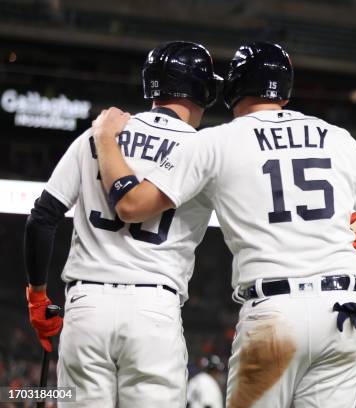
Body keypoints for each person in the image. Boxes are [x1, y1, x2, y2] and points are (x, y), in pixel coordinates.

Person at [90, 41, 356, 408]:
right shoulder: (335, 136)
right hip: (344, 313)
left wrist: (104, 139)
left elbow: (132, 206)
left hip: (276, 311)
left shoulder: (217, 141)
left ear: (232, 88)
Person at [23, 41, 222, 407]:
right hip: (153, 307)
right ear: (204, 90)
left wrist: (37, 296)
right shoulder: (205, 151)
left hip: (86, 306)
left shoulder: (99, 134)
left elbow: (42, 217)